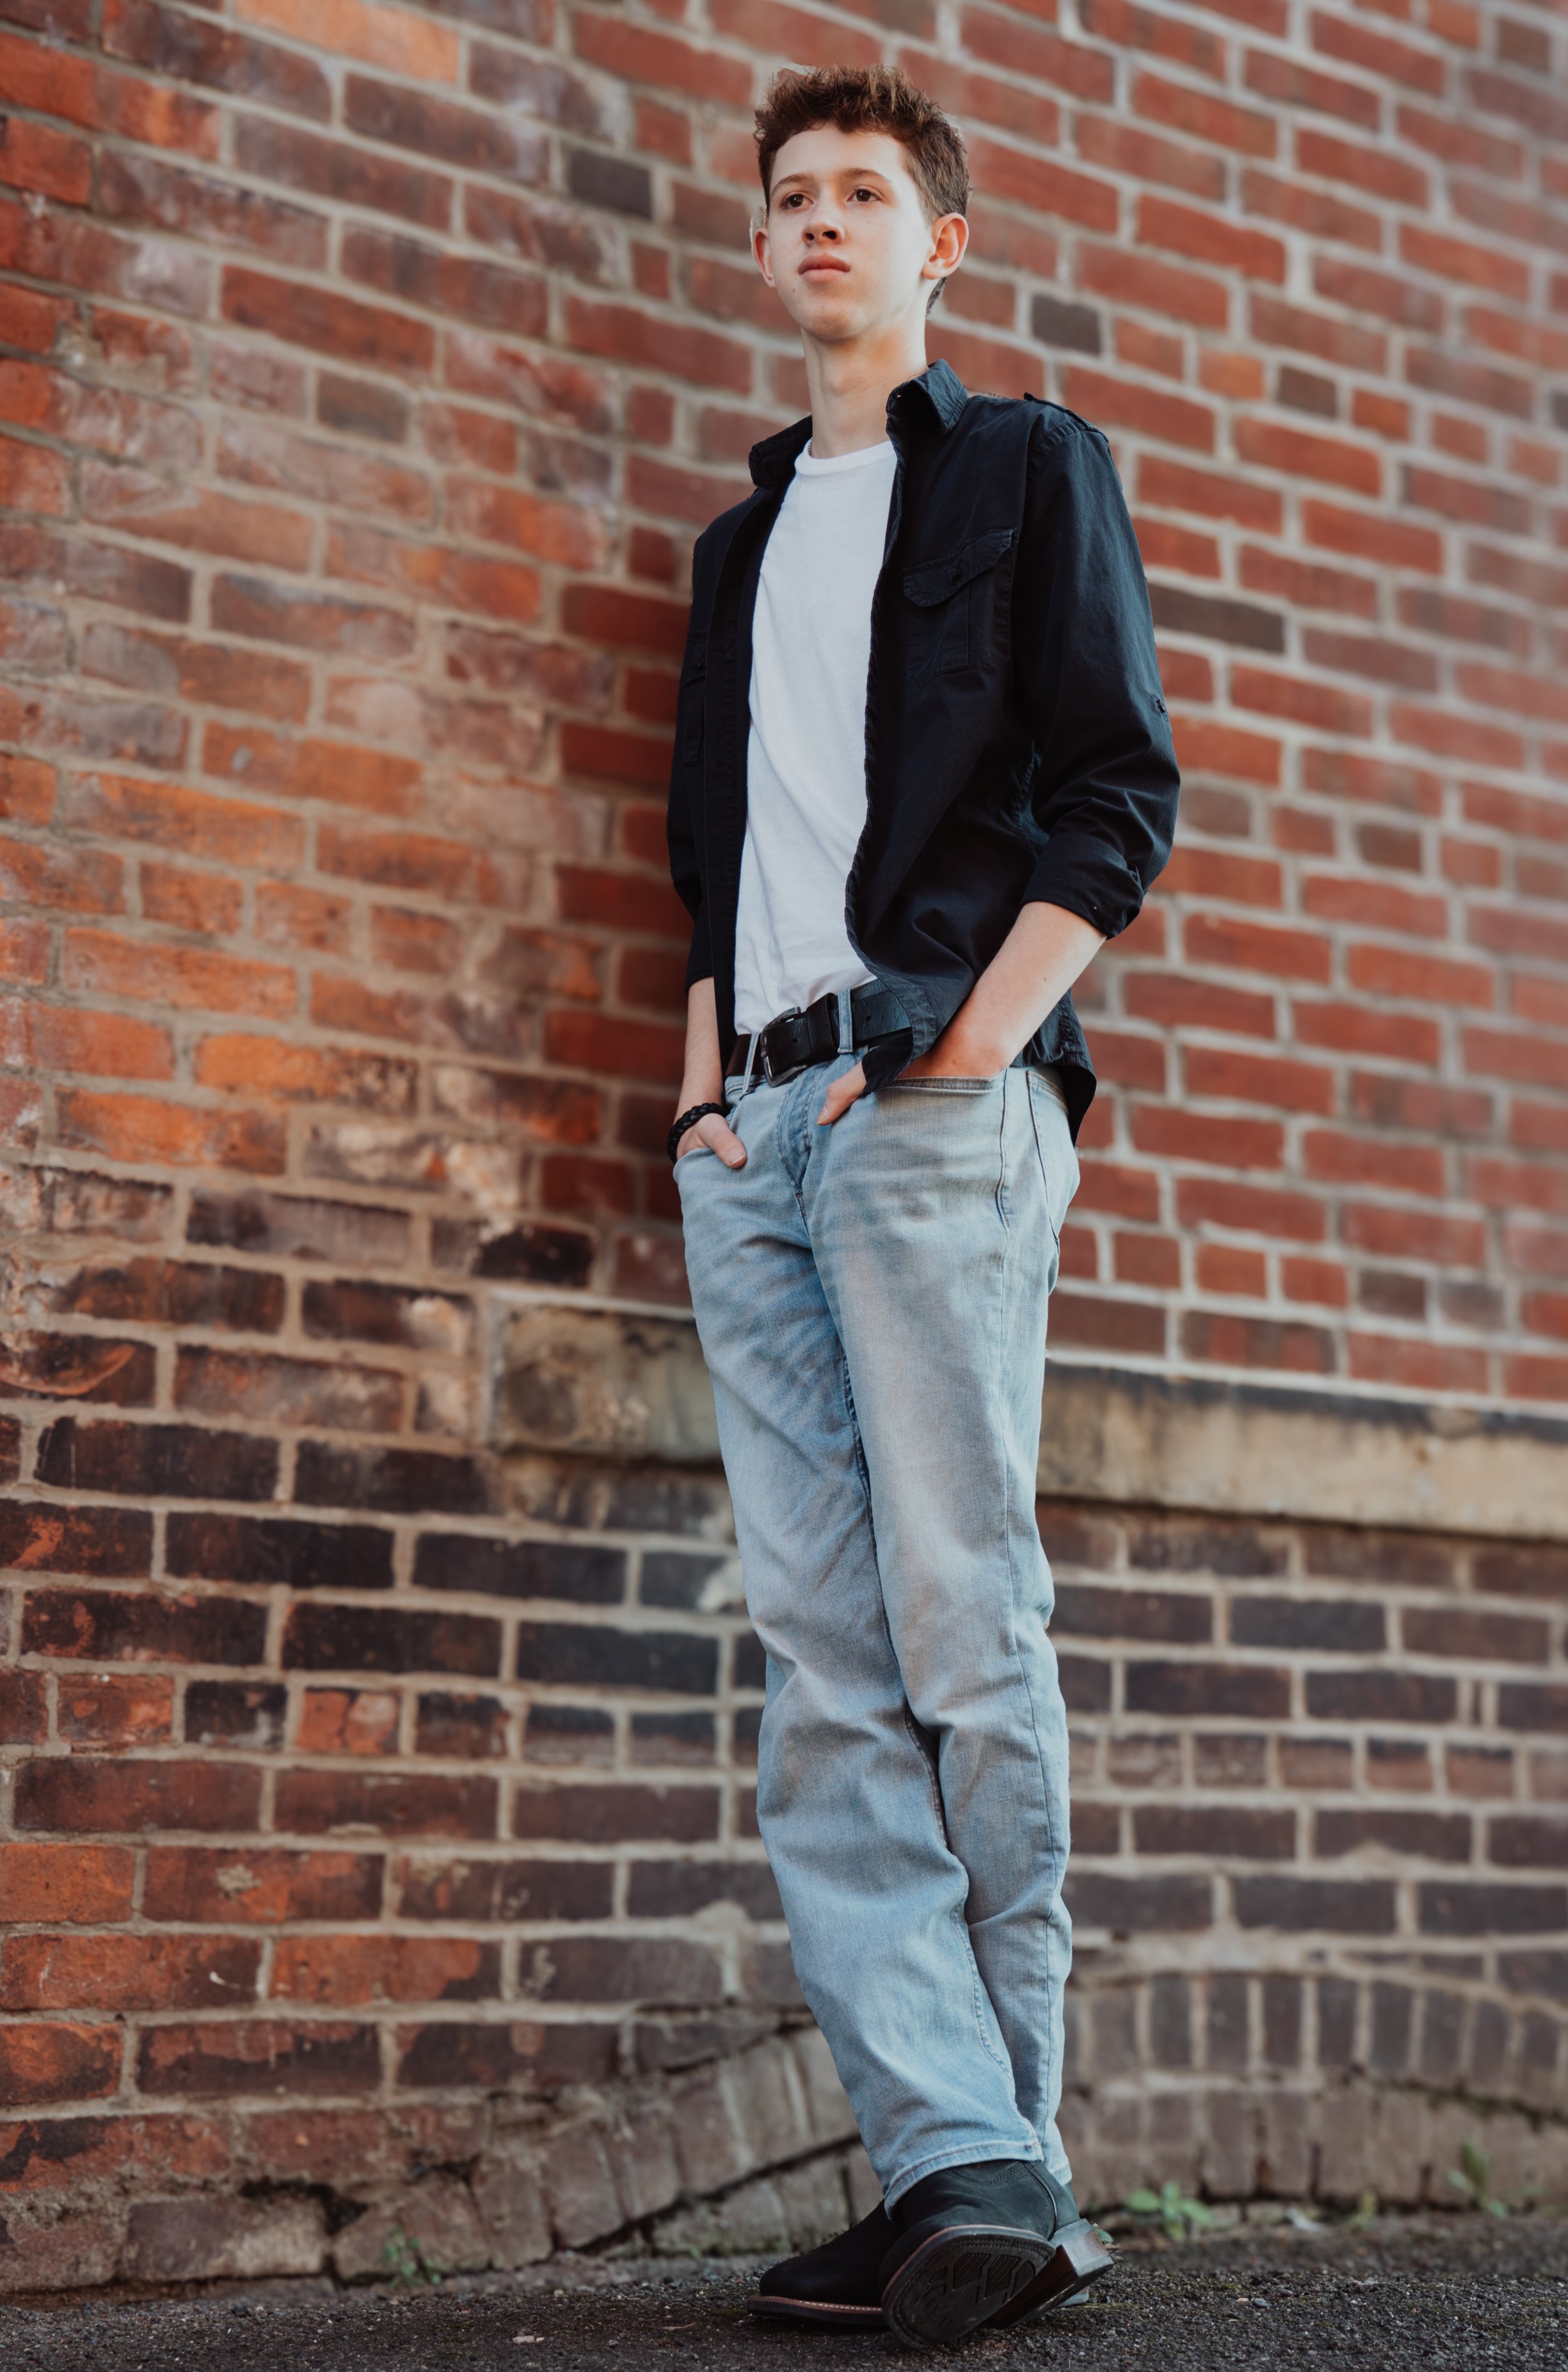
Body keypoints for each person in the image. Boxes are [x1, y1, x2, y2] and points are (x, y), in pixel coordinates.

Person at [663, 63, 1180, 2351]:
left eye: (864, 191)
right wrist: (700, 1102)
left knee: (962, 1632)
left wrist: (968, 1053)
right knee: (821, 1667)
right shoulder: (736, 544)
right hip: (753, 1138)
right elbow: (714, 863)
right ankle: (951, 2155)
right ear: (759, 242)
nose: (821, 222)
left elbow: (1115, 795)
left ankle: (1000, 2160)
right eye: (791, 195)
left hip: (925, 1096)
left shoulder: (1024, 467)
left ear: (937, 242)